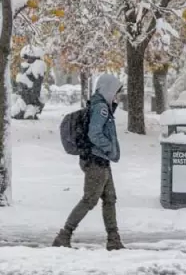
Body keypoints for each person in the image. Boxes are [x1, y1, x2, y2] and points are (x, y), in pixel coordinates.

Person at [53, 74, 125, 250]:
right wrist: (109, 147)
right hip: (96, 160)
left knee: (110, 198)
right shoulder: (100, 108)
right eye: (115, 91)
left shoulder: (101, 105)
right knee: (90, 199)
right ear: (108, 89)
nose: (117, 96)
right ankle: (64, 235)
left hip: (101, 160)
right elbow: (95, 133)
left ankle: (114, 240)